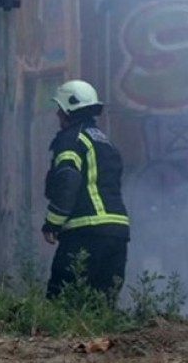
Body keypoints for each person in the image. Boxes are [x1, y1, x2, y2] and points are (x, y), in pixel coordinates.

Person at [42, 79, 130, 303]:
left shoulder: (71, 140)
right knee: (101, 307)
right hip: (117, 234)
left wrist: (52, 222)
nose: (57, 115)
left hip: (86, 234)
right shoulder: (104, 142)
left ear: (67, 111)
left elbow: (68, 180)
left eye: (59, 110)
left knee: (62, 301)